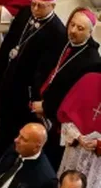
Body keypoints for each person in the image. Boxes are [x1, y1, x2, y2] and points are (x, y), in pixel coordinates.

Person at [0, 0, 65, 164]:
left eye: (41, 6)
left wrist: (34, 92)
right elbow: (10, 41)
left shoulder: (57, 32)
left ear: (53, 5)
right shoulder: (25, 12)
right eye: (34, 3)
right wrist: (0, 64)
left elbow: (45, 68)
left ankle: (2, 160)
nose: (36, 9)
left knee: (13, 126)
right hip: (8, 76)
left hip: (25, 88)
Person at [32, 9, 101, 167]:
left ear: (90, 32)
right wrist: (35, 95)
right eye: (72, 25)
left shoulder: (92, 61)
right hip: (36, 102)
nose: (73, 31)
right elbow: (42, 67)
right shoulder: (61, 40)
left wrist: (46, 107)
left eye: (80, 28)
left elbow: (74, 97)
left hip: (55, 118)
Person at [58, 74, 101, 188]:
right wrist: (77, 136)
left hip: (97, 164)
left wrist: (98, 144)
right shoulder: (89, 80)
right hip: (75, 151)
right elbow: (66, 114)